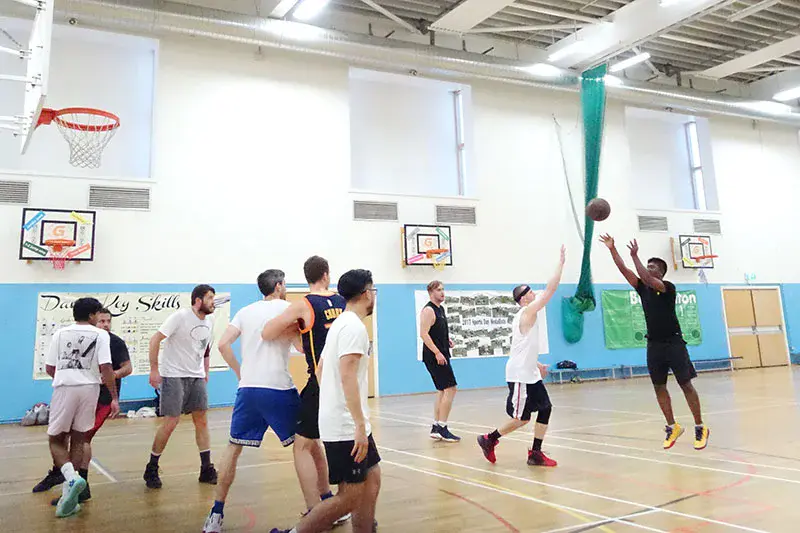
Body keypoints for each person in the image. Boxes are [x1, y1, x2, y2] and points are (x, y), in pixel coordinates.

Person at [270, 269, 380, 533]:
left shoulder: (343, 322)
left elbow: (320, 368)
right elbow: (347, 377)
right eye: (373, 290)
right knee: (349, 496)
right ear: (366, 293)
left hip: (348, 421)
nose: (375, 295)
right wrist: (357, 426)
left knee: (372, 480)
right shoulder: (352, 327)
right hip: (347, 427)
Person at [202, 270, 302, 533]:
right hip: (278, 388)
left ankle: (215, 515)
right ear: (279, 286)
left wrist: (240, 372)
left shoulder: (245, 311)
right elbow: (302, 348)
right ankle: (324, 504)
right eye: (285, 284)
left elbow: (223, 345)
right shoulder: (289, 309)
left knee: (233, 449)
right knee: (307, 446)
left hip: (248, 389)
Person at [599, 234, 709, 450]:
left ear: (660, 272)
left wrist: (635, 256)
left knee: (685, 384)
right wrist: (613, 249)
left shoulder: (667, 287)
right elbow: (625, 271)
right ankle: (672, 426)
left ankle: (699, 426)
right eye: (646, 266)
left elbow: (647, 278)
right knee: (659, 386)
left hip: (674, 343)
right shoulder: (642, 288)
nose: (647, 270)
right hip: (654, 345)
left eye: (652, 267)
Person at [261, 256, 348, 521]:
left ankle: (316, 512)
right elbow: (304, 344)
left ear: (308, 276)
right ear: (326, 274)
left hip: (321, 382)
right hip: (347, 382)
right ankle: (338, 504)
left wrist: (290, 327)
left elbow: (267, 332)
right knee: (341, 443)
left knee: (302, 446)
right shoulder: (344, 302)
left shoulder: (304, 305)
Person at [34, 308, 132, 506]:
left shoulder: (114, 342)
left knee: (82, 438)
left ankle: (79, 484)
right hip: (84, 391)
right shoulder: (84, 337)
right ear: (92, 319)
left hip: (101, 397)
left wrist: (111, 378)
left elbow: (127, 368)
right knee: (66, 436)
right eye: (101, 320)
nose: (105, 324)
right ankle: (61, 474)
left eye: (108, 321)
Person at [477, 246, 565, 467]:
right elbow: (550, 290)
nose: (534, 293)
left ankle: (535, 453)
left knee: (545, 408)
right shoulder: (527, 312)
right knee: (521, 418)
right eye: (530, 292)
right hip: (520, 376)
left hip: (530, 373)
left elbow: (521, 347)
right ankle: (489, 439)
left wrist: (536, 364)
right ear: (523, 299)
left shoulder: (525, 316)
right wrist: (561, 264)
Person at [144, 284, 218, 489]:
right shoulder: (180, 317)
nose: (213, 302)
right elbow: (155, 340)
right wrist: (154, 369)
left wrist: (205, 371)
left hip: (196, 376)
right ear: (197, 301)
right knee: (171, 421)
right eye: (210, 298)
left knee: (201, 420)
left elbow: (206, 347)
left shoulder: (211, 320)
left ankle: (206, 468)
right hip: (174, 374)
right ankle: (152, 467)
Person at [419, 280, 460, 442]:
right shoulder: (428, 310)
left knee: (442, 390)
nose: (442, 293)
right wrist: (436, 352)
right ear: (431, 293)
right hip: (435, 356)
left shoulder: (440, 309)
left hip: (442, 353)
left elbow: (437, 330)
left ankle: (436, 426)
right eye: (438, 290)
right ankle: (443, 427)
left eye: (443, 289)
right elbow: (424, 333)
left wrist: (446, 340)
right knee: (451, 388)